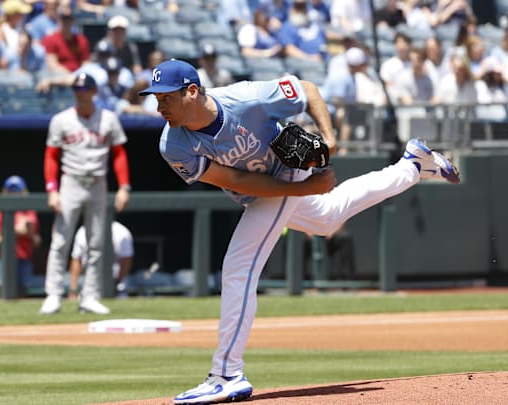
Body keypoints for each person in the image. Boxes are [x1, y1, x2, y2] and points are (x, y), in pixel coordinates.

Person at [137, 59, 460, 404]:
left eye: (165, 97)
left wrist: (330, 139)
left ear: (191, 91)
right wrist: (308, 191)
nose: (159, 105)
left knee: (237, 267)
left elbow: (306, 90)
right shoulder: (173, 144)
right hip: (264, 189)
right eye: (156, 98)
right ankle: (412, 165)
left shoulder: (246, 99)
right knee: (327, 217)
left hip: (290, 166)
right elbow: (236, 180)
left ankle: (226, 374)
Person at [40, 72, 132, 315]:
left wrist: (124, 186)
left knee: (96, 243)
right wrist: (52, 189)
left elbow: (119, 154)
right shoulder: (61, 120)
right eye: (77, 91)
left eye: (85, 90)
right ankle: (53, 294)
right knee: (61, 240)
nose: (81, 94)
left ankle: (90, 295)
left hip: (98, 182)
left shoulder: (108, 119)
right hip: (70, 181)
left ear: (93, 92)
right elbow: (51, 156)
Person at [0, 175, 42, 293]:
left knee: (23, 298)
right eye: (11, 190)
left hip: (24, 261)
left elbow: (37, 242)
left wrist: (29, 234)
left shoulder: (30, 212)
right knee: (0, 297)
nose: (14, 193)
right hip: (3, 260)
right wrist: (13, 232)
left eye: (17, 190)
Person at [68, 220, 133, 299]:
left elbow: (126, 262)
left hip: (116, 281)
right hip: (86, 281)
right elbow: (76, 260)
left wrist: (116, 283)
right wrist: (73, 289)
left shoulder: (122, 232)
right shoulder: (83, 231)